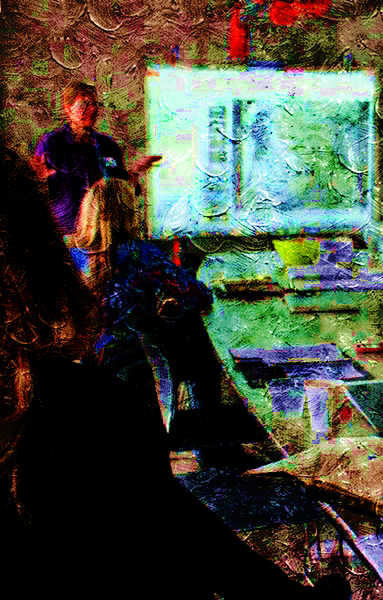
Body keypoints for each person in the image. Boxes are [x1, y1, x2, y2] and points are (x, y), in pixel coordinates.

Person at [0, 148, 350, 598]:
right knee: (200, 360)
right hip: (129, 373)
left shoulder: (83, 254)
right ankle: (217, 448)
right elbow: (198, 294)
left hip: (105, 362)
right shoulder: (85, 407)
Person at [69, 178, 220, 411]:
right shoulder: (140, 254)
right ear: (129, 214)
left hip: (82, 365)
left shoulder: (70, 257)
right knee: (204, 355)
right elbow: (198, 294)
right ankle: (205, 426)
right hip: (132, 364)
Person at [31, 81, 162, 234]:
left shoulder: (108, 147)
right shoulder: (52, 143)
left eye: (94, 104)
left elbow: (119, 184)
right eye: (84, 104)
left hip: (103, 233)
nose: (92, 109)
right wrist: (39, 180)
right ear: (68, 108)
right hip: (66, 233)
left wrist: (135, 171)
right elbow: (34, 195)